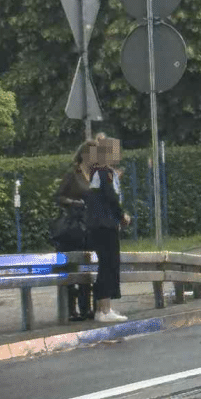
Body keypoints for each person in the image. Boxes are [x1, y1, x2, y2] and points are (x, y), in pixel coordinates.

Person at [84, 136, 132, 323]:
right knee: (109, 265)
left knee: (108, 264)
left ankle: (105, 308)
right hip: (105, 226)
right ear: (107, 153)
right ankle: (104, 310)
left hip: (99, 225)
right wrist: (122, 216)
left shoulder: (100, 172)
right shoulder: (105, 173)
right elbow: (110, 198)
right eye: (115, 150)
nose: (118, 154)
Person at [52, 140, 96, 321]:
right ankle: (72, 309)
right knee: (72, 266)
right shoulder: (73, 175)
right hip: (73, 226)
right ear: (84, 155)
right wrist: (73, 203)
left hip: (89, 225)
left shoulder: (94, 175)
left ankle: (87, 307)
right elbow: (58, 196)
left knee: (87, 266)